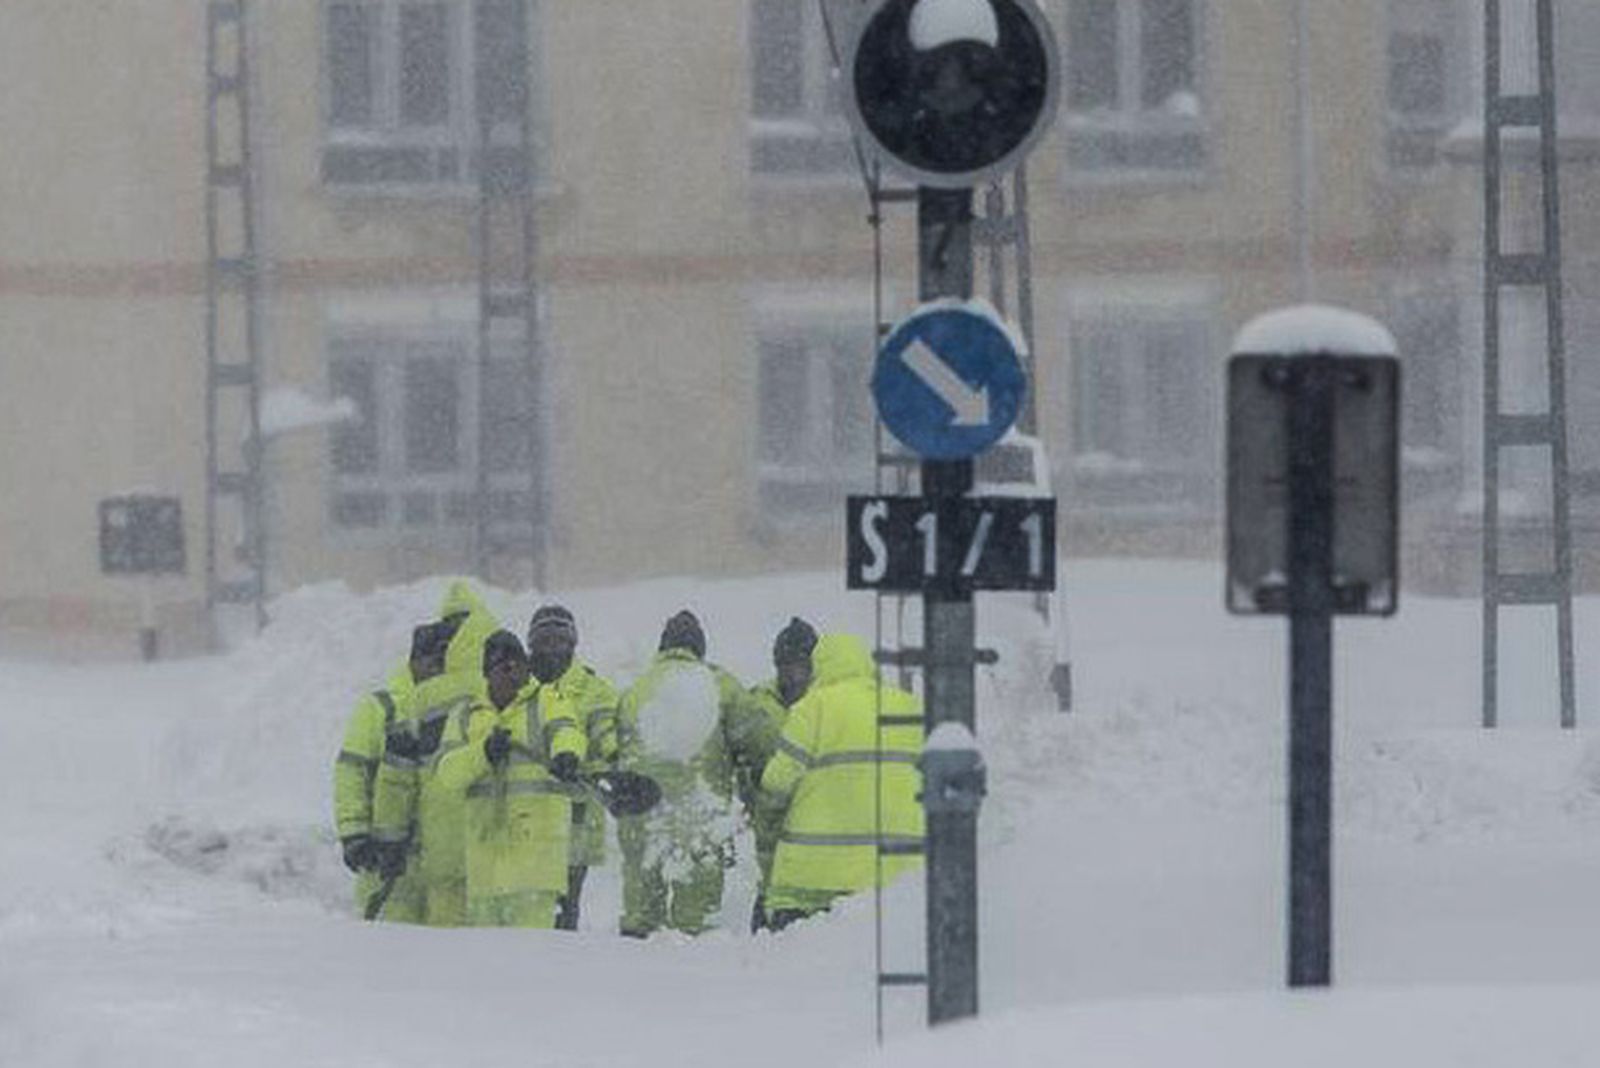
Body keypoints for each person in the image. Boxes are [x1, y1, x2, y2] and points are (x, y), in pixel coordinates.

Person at [615, 609, 768, 937]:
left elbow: (617, 748)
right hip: (698, 812)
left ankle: (633, 964)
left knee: (641, 910)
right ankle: (690, 965)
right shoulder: (719, 684)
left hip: (642, 812)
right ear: (699, 648)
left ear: (663, 647)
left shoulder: (635, 690)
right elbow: (758, 740)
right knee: (694, 915)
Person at [758, 631, 924, 931]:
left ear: (818, 667)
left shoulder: (812, 708)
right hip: (896, 878)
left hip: (811, 881)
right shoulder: (909, 708)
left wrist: (768, 850)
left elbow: (776, 786)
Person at [370, 580, 500, 925]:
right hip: (503, 850)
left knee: (445, 957)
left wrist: (390, 842)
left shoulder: (420, 700)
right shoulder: (512, 691)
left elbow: (395, 780)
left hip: (443, 849)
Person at [456, 630, 586, 927]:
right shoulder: (466, 715)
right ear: (488, 674)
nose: (514, 675)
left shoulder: (548, 699)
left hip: (535, 869)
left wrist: (567, 753)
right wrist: (483, 754)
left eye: (519, 666)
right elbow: (447, 773)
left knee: (532, 962)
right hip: (484, 872)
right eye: (504, 668)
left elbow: (566, 729)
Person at [332, 620, 450, 919]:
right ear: (414, 660)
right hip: (386, 860)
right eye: (432, 661)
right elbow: (352, 772)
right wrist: (354, 834)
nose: (438, 671)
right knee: (389, 951)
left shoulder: (457, 709)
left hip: (442, 865)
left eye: (445, 664)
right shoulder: (380, 708)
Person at [526, 604, 620, 931]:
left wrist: (610, 758)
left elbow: (607, 733)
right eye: (544, 639)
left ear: (572, 643)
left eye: (559, 639)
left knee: (564, 904)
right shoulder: (519, 686)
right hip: (526, 815)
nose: (552, 648)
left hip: (576, 817)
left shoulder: (595, 691)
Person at [744, 617, 818, 931]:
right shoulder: (757, 701)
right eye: (784, 665)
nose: (791, 673)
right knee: (770, 881)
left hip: (813, 817)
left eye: (799, 665)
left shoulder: (826, 703)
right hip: (767, 814)